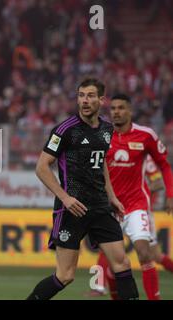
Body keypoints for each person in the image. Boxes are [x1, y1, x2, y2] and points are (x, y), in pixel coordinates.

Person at [26, 78, 139, 300]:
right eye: (81, 96)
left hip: (100, 206)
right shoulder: (65, 130)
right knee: (65, 275)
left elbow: (101, 162)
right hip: (72, 209)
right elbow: (41, 167)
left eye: (89, 96)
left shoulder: (107, 128)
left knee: (122, 263)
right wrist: (65, 198)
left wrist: (112, 196)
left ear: (101, 99)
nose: (84, 101)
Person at [87, 94, 173, 300]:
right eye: (113, 108)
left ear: (130, 111)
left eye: (121, 108)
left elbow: (163, 164)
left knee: (145, 254)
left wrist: (170, 194)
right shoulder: (101, 136)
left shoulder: (146, 135)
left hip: (136, 205)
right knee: (114, 263)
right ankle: (104, 290)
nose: (116, 111)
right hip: (109, 208)